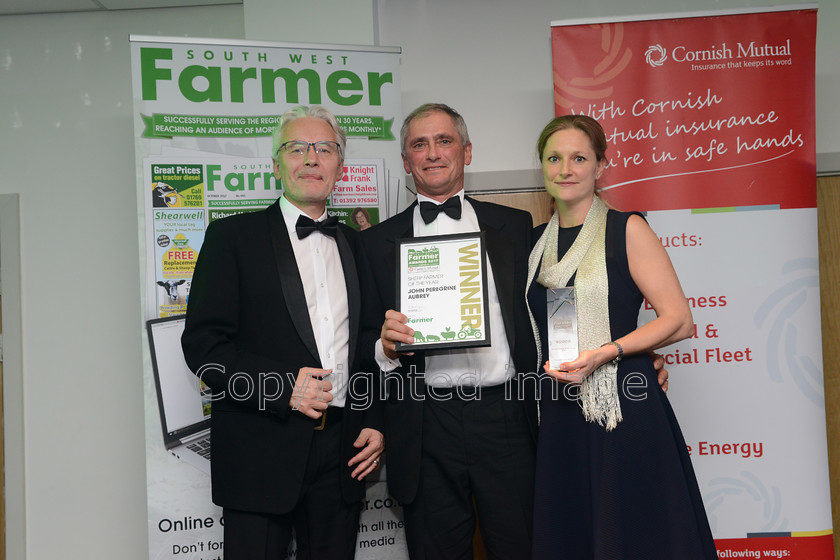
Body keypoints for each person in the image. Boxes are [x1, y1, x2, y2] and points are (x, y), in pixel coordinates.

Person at [181, 105, 384, 560]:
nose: (312, 158)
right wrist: (281, 388)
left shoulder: (355, 243)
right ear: (277, 165)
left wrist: (372, 419)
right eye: (297, 148)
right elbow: (203, 346)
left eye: (325, 148)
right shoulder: (231, 237)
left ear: (339, 165)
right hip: (259, 451)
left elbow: (368, 340)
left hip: (343, 456)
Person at [526, 114, 717, 559]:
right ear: (543, 168)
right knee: (575, 534)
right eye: (554, 158)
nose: (565, 169)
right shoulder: (533, 244)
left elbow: (678, 319)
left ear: (600, 166)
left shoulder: (626, 228)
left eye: (578, 158)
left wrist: (608, 353)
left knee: (633, 535)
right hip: (559, 410)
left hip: (621, 407)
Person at [361, 103, 539, 559]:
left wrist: (625, 352)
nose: (433, 153)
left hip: (505, 417)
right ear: (406, 161)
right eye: (419, 144)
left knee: (522, 547)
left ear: (467, 151)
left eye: (444, 140)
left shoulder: (515, 227)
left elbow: (550, 305)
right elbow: (358, 338)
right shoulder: (374, 243)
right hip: (424, 424)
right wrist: (384, 347)